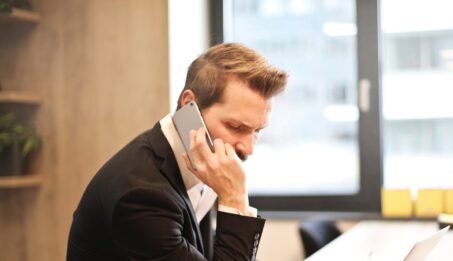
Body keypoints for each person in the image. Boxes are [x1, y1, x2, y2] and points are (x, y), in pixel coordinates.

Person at [67, 43, 288, 260]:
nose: (248, 148)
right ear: (189, 104)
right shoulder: (140, 195)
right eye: (236, 127)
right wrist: (235, 198)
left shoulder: (201, 163)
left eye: (257, 131)